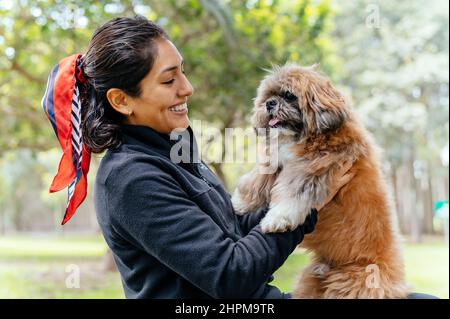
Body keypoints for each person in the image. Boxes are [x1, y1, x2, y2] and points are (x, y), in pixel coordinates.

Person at [42, 16, 436, 299]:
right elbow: (230, 275)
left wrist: (305, 186)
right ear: (122, 100)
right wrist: (303, 203)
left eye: (183, 72)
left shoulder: (173, 150)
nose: (188, 88)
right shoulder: (131, 178)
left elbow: (234, 227)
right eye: (169, 79)